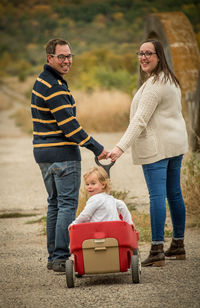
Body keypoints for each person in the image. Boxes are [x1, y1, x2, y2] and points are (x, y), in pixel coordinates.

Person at [108, 39, 188, 267]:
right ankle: (178, 245)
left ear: (159, 56)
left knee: (157, 196)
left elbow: (140, 120)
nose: (143, 57)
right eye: (140, 53)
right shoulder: (169, 80)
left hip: (158, 148)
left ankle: (156, 250)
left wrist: (119, 147)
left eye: (148, 53)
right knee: (174, 194)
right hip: (174, 145)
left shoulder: (154, 87)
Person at [31, 38, 107, 272]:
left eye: (69, 56)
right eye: (61, 57)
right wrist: (96, 147)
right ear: (49, 58)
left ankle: (54, 257)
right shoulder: (53, 86)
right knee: (65, 205)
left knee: (55, 204)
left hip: (44, 155)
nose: (67, 61)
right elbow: (70, 127)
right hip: (62, 154)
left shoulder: (42, 81)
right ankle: (62, 258)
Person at [69, 166, 133, 226]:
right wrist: (129, 223)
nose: (89, 187)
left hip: (100, 232)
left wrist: (75, 223)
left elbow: (86, 215)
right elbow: (122, 205)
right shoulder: (111, 198)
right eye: (87, 184)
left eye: (93, 183)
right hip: (115, 231)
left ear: (103, 185)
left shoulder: (95, 199)